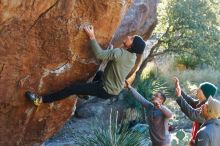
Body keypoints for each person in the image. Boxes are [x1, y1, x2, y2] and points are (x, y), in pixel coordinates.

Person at [25, 25, 146, 106]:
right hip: (114, 89)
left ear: (131, 46)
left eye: (132, 38)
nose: (129, 36)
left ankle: (40, 100)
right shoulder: (132, 57)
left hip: (105, 89)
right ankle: (84, 93)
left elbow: (99, 55)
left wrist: (92, 36)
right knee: (98, 73)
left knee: (72, 88)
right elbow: (117, 60)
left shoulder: (119, 53)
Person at [126, 81, 173, 146]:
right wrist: (130, 88)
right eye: (154, 95)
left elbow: (170, 115)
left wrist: (160, 107)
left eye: (156, 96)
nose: (153, 96)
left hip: (164, 143)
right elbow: (140, 98)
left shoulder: (163, 110)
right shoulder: (149, 106)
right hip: (154, 142)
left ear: (161, 100)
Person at [174, 77, 217, 146]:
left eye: (199, 89)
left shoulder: (207, 109)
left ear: (204, 93)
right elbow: (189, 100)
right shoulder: (200, 103)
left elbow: (192, 114)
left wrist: (179, 97)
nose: (197, 89)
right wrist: (179, 89)